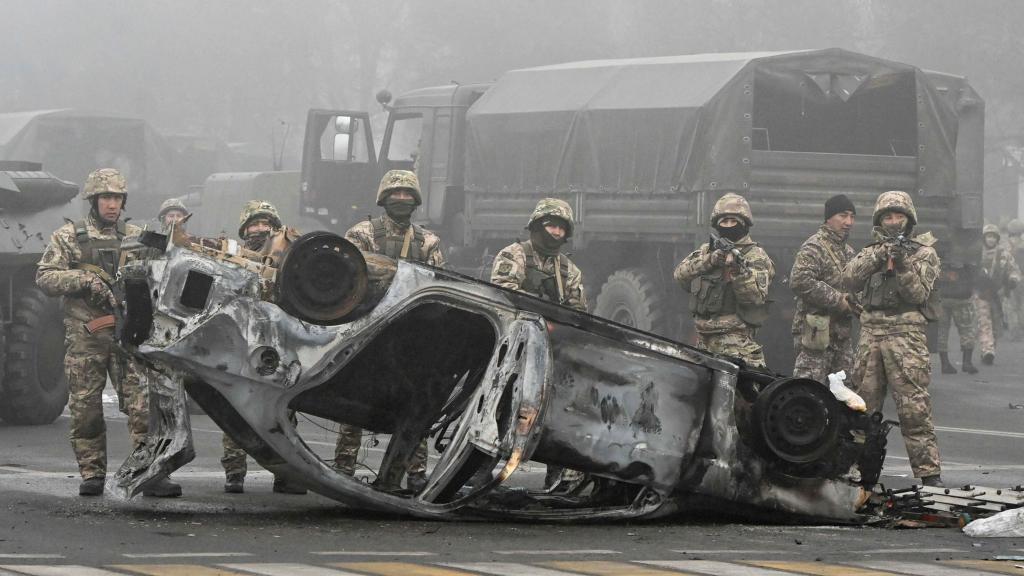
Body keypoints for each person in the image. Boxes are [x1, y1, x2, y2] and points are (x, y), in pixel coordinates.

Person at [36, 168, 181, 497]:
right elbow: (45, 277)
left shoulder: (136, 235)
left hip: (128, 336)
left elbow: (167, 267)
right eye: (106, 198)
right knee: (86, 411)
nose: (112, 204)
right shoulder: (70, 237)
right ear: (93, 200)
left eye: (117, 198)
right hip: (86, 338)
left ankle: (150, 473)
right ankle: (92, 472)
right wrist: (85, 280)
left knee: (144, 410)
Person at [333, 170, 445, 492]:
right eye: (395, 194)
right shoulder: (363, 233)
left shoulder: (429, 242)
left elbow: (439, 286)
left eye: (407, 195)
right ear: (383, 198)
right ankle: (344, 467)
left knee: (416, 403)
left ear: (416, 201)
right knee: (355, 401)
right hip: (368, 328)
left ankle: (416, 472)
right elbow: (350, 277)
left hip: (411, 334)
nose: (401, 200)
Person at [843, 190, 943, 487]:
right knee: (862, 407)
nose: (894, 221)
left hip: (906, 335)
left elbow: (917, 294)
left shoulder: (924, 253)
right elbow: (849, 278)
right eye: (888, 216)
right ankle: (858, 472)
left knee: (914, 407)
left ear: (909, 219)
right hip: (871, 333)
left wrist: (902, 264)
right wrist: (878, 255)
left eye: (899, 216)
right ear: (879, 220)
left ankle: (929, 474)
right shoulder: (870, 250)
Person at [490, 197, 587, 489]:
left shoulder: (569, 270)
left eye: (560, 228)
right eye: (550, 225)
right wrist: (541, 304)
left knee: (554, 415)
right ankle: (480, 472)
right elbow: (502, 293)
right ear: (536, 225)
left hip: (550, 351)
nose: (555, 233)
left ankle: (557, 479)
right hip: (513, 350)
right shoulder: (513, 255)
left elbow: (579, 312)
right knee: (500, 411)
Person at [222, 200, 307, 495]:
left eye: (265, 224)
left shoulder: (289, 257)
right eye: (254, 224)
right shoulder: (229, 257)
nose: (260, 229)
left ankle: (287, 474)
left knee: (284, 410)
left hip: (279, 342)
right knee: (235, 405)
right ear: (245, 230)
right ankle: (234, 472)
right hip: (241, 341)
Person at [673, 193, 774, 368]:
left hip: (736, 344)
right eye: (723, 222)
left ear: (743, 223)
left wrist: (737, 272)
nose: (728, 226)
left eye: (733, 221)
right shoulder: (707, 251)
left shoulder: (755, 256)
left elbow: (755, 297)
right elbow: (680, 276)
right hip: (703, 343)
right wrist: (709, 261)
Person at [789, 194, 858, 382]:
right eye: (843, 216)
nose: (848, 222)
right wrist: (837, 300)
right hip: (815, 336)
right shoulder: (814, 247)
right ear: (829, 218)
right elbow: (800, 280)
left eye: (852, 217)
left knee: (845, 395)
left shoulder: (849, 252)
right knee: (810, 392)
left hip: (841, 336)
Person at [973, 223, 1021, 365]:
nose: (991, 240)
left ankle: (990, 348)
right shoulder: (977, 254)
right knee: (984, 322)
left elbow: (1014, 270)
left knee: (996, 325)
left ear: (997, 238)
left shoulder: (1003, 255)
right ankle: (987, 350)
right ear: (984, 238)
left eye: (993, 237)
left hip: (998, 295)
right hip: (981, 294)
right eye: (988, 236)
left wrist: (1013, 279)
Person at [934, 243, 978, 375]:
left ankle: (945, 364)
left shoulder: (936, 253)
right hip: (961, 298)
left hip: (941, 297)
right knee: (967, 328)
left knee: (941, 331)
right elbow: (975, 274)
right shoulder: (968, 253)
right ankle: (967, 362)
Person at [1004, 219, 1024, 341]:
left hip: (1013, 278)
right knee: (1022, 305)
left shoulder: (1007, 246)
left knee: (1012, 306)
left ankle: (1015, 333)